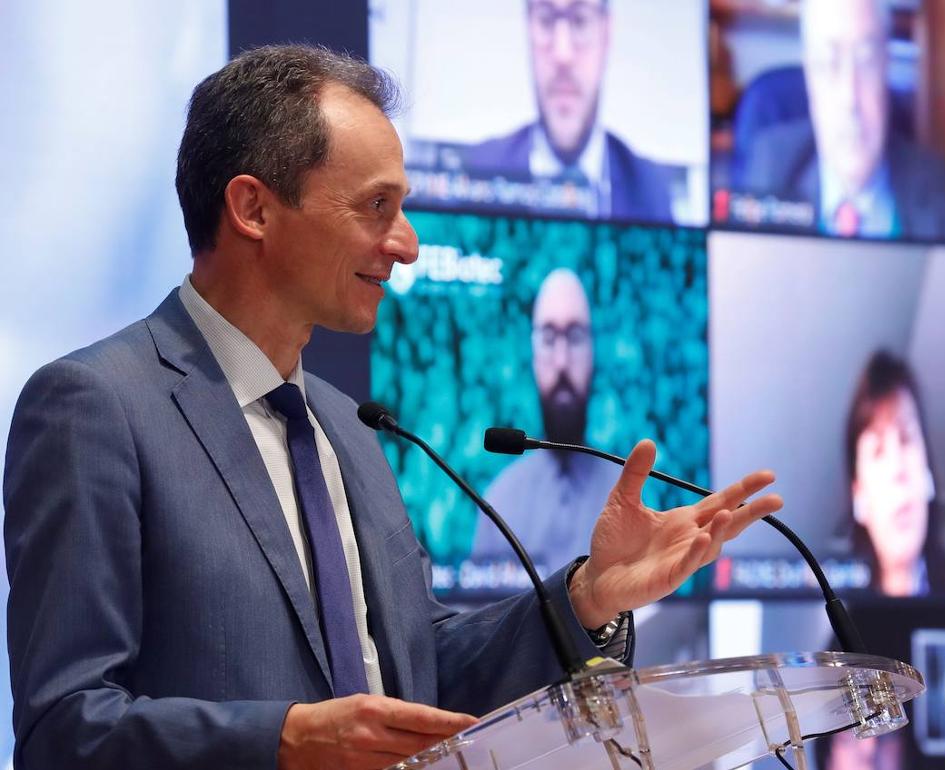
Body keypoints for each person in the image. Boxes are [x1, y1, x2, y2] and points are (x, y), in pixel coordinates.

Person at [2, 45, 783, 769]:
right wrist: (284, 740)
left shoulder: (346, 426)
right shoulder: (96, 408)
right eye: (377, 206)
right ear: (254, 209)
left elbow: (422, 668)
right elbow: (64, 728)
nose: (406, 243)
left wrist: (587, 598)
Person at [741, 0, 945, 240]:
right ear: (809, 78)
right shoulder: (769, 170)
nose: (849, 98)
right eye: (829, 63)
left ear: (885, 67)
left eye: (866, 62)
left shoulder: (938, 187)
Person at [464, 0, 673, 222]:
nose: (562, 54)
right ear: (529, 29)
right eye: (545, 20)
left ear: (606, 33)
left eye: (580, 20)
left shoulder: (651, 191)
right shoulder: (476, 172)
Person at [472, 268, 619, 570]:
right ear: (532, 353)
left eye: (575, 337)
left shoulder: (632, 493)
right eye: (549, 339)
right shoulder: (499, 502)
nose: (562, 361)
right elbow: (478, 618)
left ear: (593, 351)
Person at [844, 350, 945, 596]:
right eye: (878, 451)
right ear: (858, 495)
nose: (898, 469)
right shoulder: (829, 609)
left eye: (906, 440)